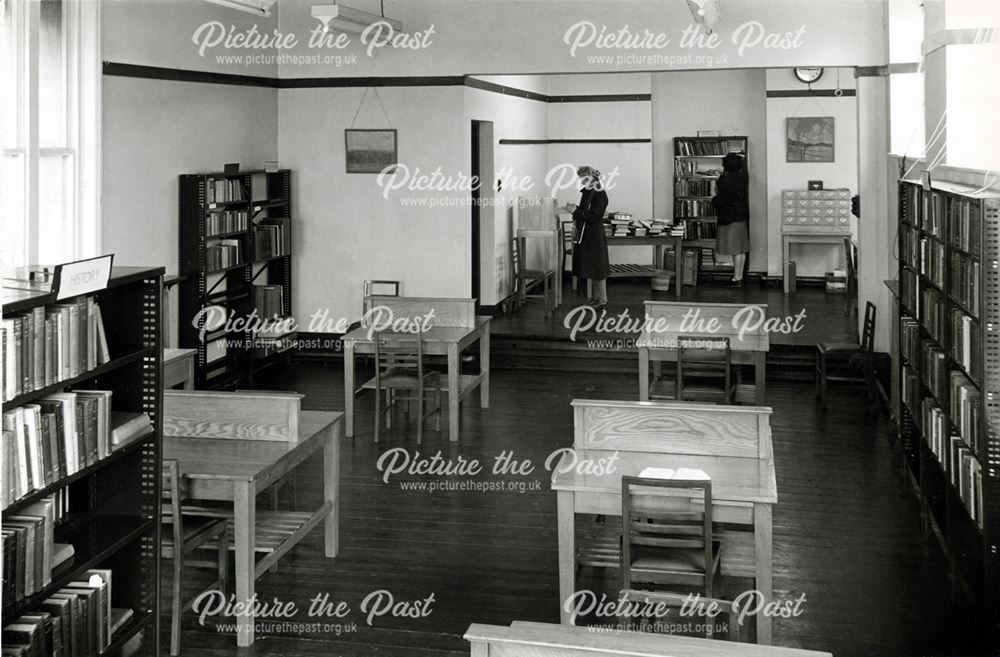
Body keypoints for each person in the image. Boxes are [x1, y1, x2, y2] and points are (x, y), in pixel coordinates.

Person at [566, 166, 610, 308]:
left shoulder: (600, 194)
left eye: (585, 178)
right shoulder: (588, 193)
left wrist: (575, 211)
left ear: (593, 178)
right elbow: (584, 212)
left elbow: (595, 216)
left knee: (598, 268)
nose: (583, 181)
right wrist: (575, 209)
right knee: (593, 267)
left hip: (594, 234)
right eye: (582, 178)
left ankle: (602, 300)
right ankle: (596, 298)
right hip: (587, 234)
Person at [712, 153, 749, 288]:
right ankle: (739, 276)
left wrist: (714, 198)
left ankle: (737, 278)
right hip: (741, 214)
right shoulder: (743, 177)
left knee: (735, 248)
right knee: (740, 248)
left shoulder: (726, 180)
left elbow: (721, 199)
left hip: (730, 216)